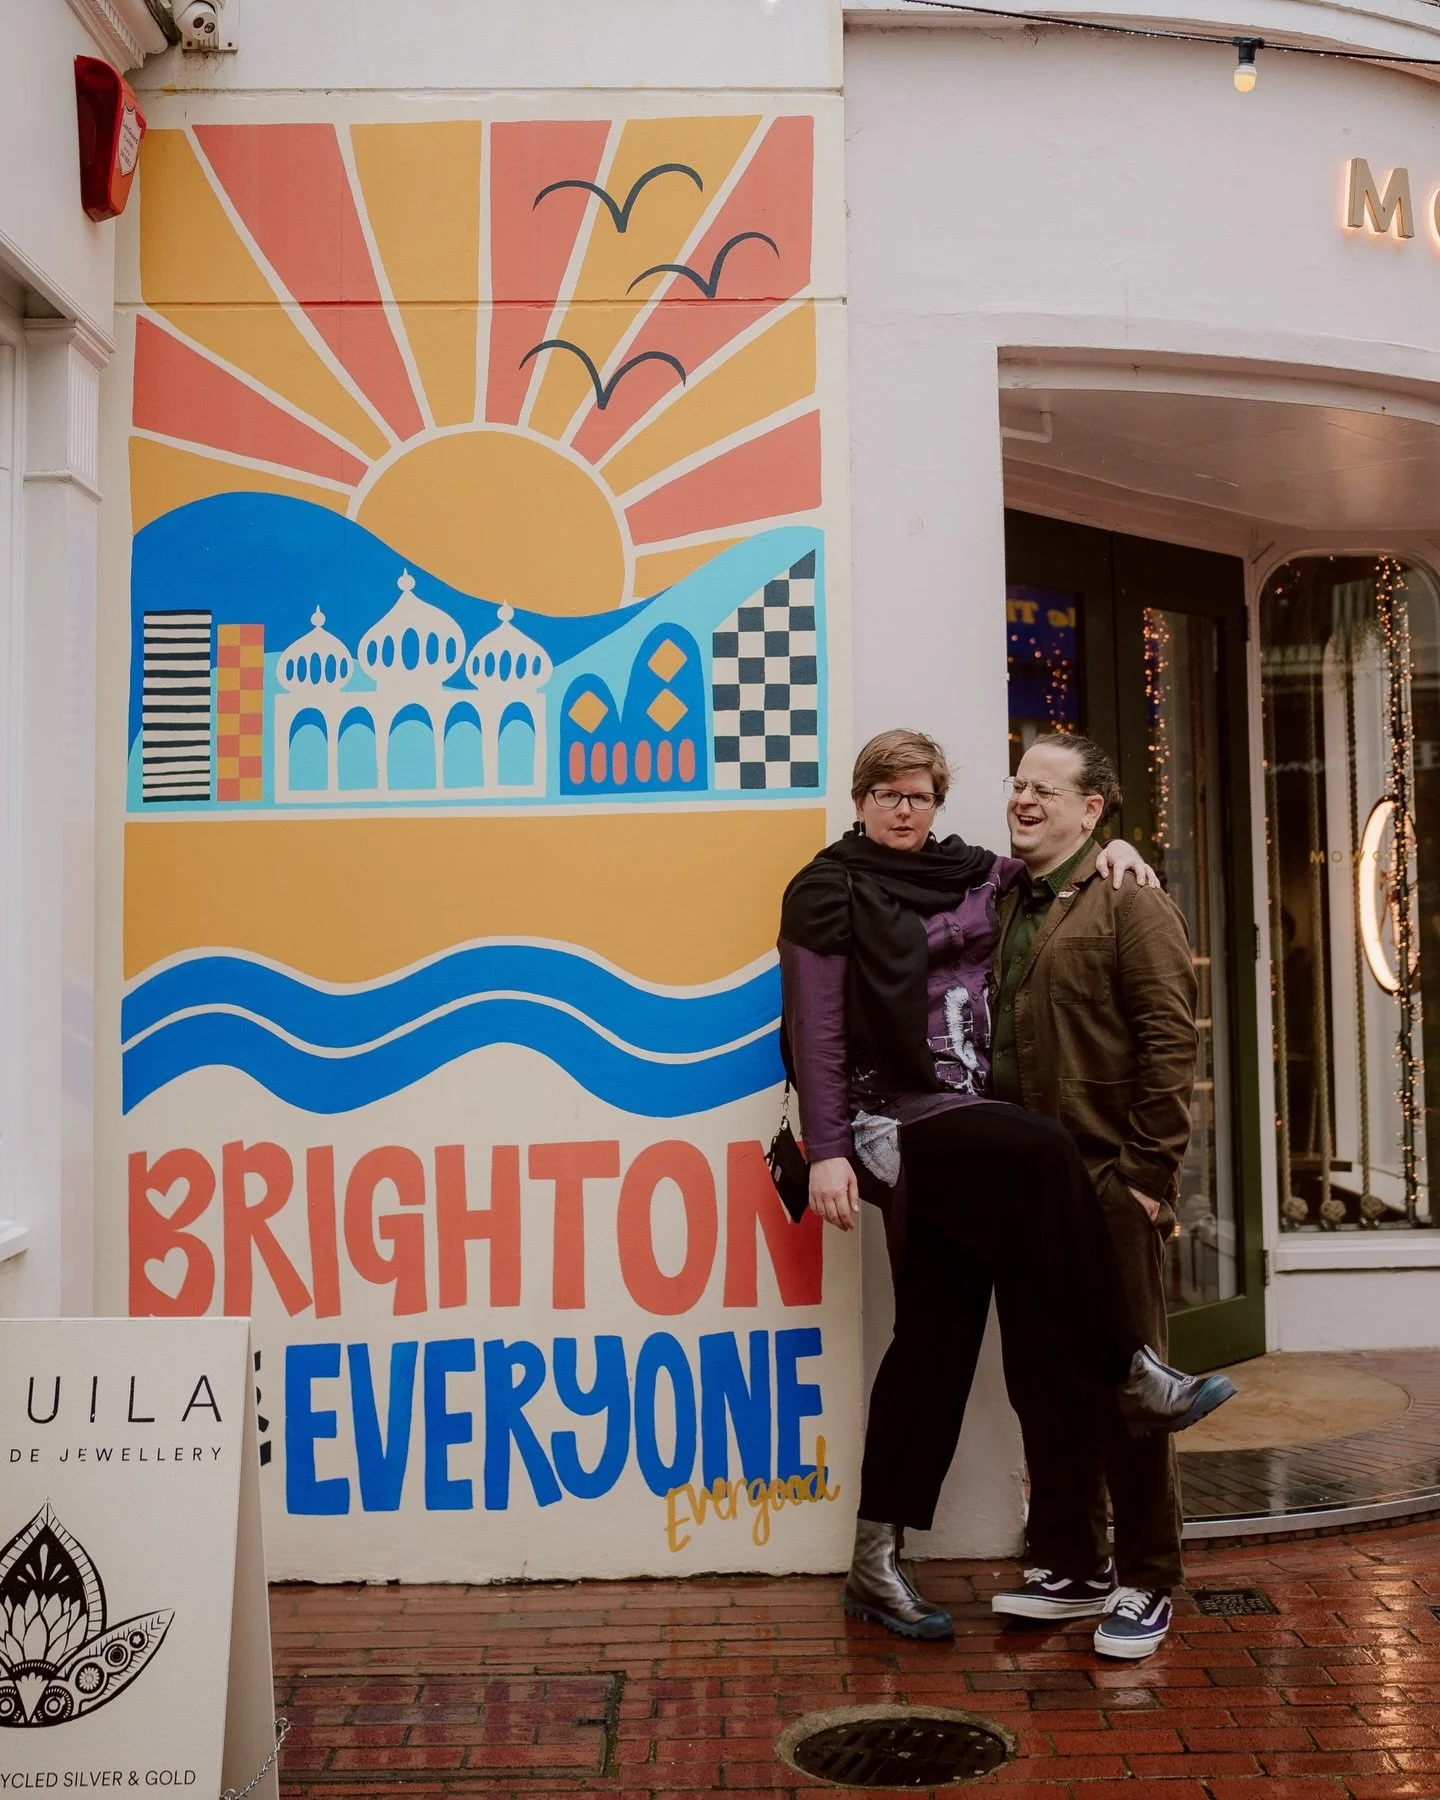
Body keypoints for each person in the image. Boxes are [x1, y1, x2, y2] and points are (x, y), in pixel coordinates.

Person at [778, 728, 1231, 1644]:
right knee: (1041, 1154)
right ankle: (1133, 1376)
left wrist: (1117, 848)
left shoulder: (985, 878)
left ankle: (881, 1561)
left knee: (933, 1346)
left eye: (919, 794)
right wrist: (826, 1148)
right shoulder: (829, 887)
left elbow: (1077, 882)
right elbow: (814, 1027)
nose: (904, 809)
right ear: (860, 800)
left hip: (993, 1153)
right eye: (887, 793)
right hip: (901, 1122)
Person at [988, 732, 1233, 1659]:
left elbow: (1172, 1043)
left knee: (1131, 1393)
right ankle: (1070, 1563)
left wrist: (1142, 1181)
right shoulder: (1002, 898)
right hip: (1020, 1195)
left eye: (1045, 790)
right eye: (1018, 783)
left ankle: (1147, 1578)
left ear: (1092, 810)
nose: (1023, 800)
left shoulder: (1132, 899)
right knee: (1039, 1385)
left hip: (1103, 1187)